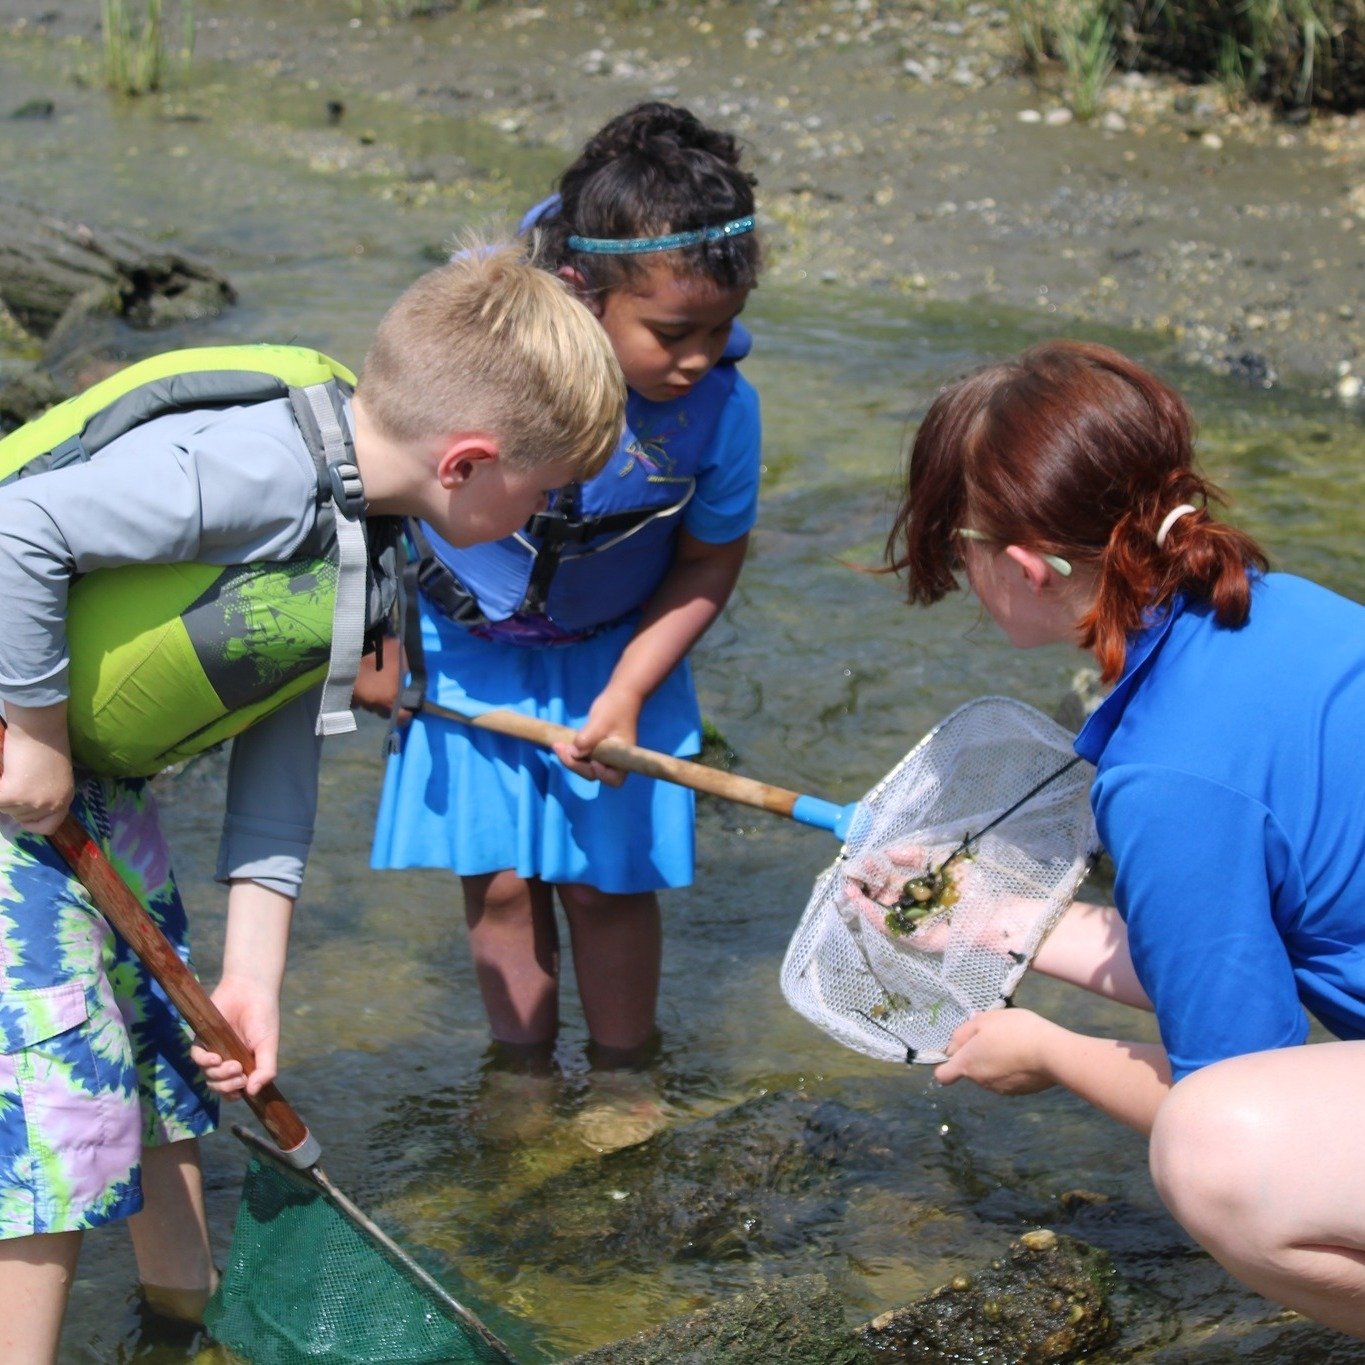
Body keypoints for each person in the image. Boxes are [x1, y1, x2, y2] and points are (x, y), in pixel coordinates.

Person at [0, 244, 624, 1364]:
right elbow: (21, 533)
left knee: (160, 1049)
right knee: (59, 1094)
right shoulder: (258, 471)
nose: (545, 519)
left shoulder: (365, 535)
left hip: (89, 787)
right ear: (469, 463)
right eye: (545, 493)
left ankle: (182, 1324)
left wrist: (253, 979)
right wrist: (39, 736)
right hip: (18, 761)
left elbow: (275, 774)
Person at [882, 338, 1365, 1337]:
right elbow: (1234, 954)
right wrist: (990, 918)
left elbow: (1237, 1079)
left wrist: (1051, 1051)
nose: (964, 573)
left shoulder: (1165, 775)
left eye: (959, 544)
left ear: (1023, 563)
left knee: (1212, 1154)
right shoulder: (1283, 613)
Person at [361, 101, 763, 1071]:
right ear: (582, 293)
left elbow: (710, 561)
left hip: (623, 653)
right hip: (467, 644)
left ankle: (627, 1077)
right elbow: (373, 487)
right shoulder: (481, 368)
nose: (701, 355)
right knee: (497, 881)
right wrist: (374, 642)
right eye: (672, 332)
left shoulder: (718, 413)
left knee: (606, 882)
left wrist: (627, 692)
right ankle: (523, 1074)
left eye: (722, 328)